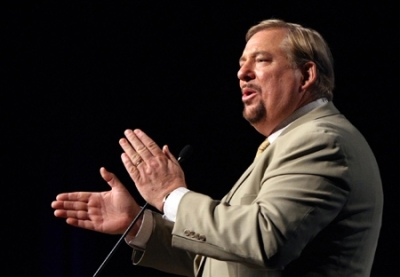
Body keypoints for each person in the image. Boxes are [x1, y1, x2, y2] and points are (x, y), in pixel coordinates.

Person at [51, 19, 383, 276]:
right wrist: (137, 225)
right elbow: (222, 259)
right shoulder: (289, 141)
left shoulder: (321, 140)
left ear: (306, 74)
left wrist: (170, 196)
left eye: (261, 60)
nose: (242, 72)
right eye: (241, 63)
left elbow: (264, 242)